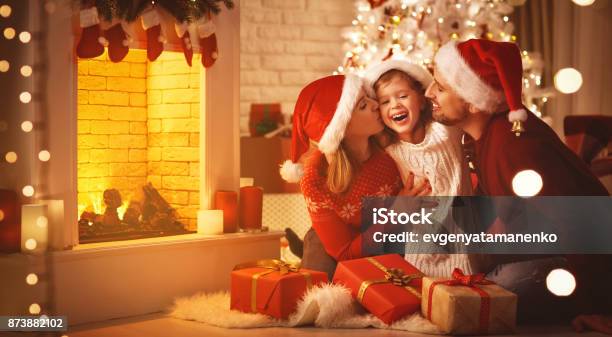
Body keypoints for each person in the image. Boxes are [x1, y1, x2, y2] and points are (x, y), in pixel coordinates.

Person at [425, 38, 610, 324]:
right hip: (539, 251)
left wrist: (597, 305)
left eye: (441, 87)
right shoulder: (481, 139)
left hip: (582, 267)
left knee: (497, 289)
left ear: (474, 102)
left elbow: (580, 220)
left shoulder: (514, 146)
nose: (429, 93)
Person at [280, 74, 428, 278]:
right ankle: (304, 253)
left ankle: (301, 252)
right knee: (318, 253)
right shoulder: (315, 174)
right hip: (344, 245)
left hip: (388, 234)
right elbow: (344, 253)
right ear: (342, 125)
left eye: (369, 98)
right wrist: (396, 212)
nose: (376, 104)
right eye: (362, 105)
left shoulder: (392, 147)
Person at [363, 60, 474, 277]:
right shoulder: (389, 152)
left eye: (403, 96)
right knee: (422, 295)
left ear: (422, 101)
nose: (395, 105)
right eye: (385, 102)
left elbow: (466, 105)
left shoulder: (445, 130)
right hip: (421, 245)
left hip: (463, 236)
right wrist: (401, 202)